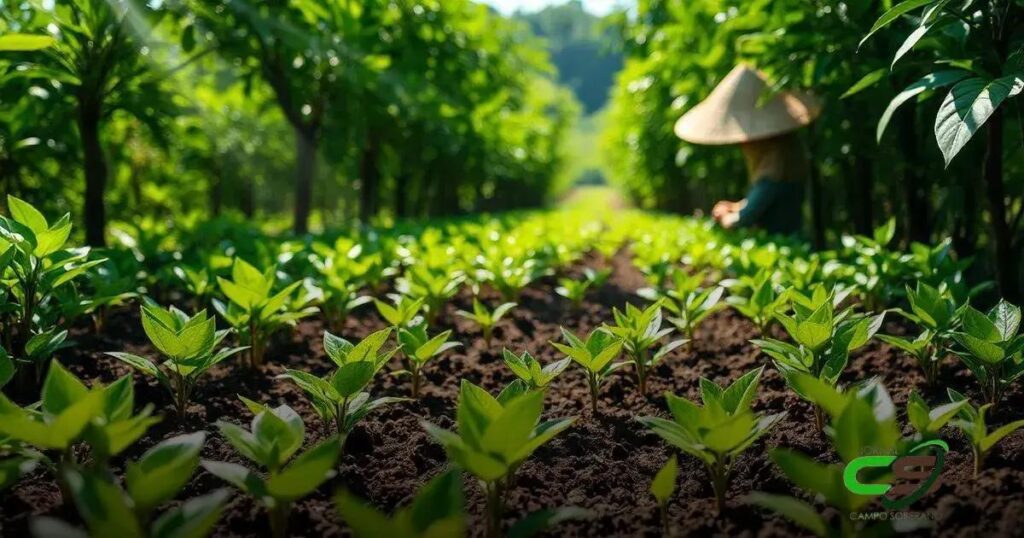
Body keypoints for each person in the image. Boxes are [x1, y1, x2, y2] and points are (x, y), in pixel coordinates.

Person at [674, 64, 821, 236]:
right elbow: (757, 203)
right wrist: (735, 206)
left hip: (781, 247)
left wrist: (724, 217)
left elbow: (744, 218)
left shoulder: (772, 177)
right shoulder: (786, 168)